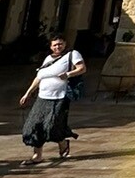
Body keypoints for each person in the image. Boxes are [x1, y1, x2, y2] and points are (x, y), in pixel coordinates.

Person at [19, 34, 86, 165]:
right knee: (33, 125)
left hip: (59, 97)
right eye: (55, 45)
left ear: (65, 44)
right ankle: (37, 155)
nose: (57, 47)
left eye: (60, 44)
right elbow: (39, 78)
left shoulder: (72, 54)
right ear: (50, 46)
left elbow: (82, 68)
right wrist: (28, 93)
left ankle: (63, 143)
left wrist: (68, 74)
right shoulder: (48, 59)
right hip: (42, 97)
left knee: (51, 126)